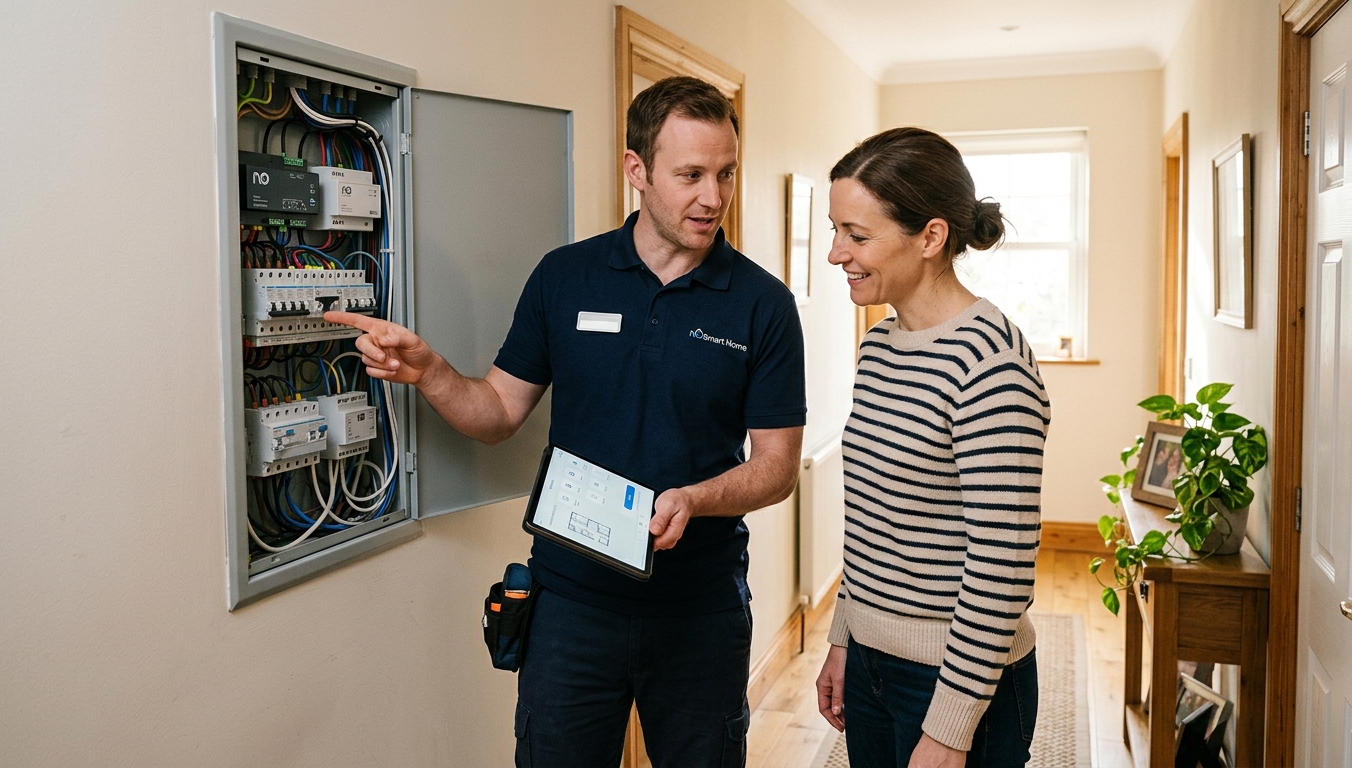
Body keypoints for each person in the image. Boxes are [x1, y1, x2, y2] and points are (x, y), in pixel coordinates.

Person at [326, 76, 806, 768]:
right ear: (636, 170)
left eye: (726, 174)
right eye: (691, 175)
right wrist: (431, 371)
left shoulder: (763, 304)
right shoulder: (565, 277)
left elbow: (776, 467)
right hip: (571, 605)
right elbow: (496, 413)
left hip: (700, 608)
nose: (714, 197)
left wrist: (695, 500)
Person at [813, 128, 1051, 768]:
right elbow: (869, 523)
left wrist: (949, 728)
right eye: (836, 230)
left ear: (931, 237)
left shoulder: (991, 365)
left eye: (857, 235)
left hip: (956, 683)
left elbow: (1001, 568)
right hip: (870, 668)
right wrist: (844, 640)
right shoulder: (880, 349)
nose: (837, 253)